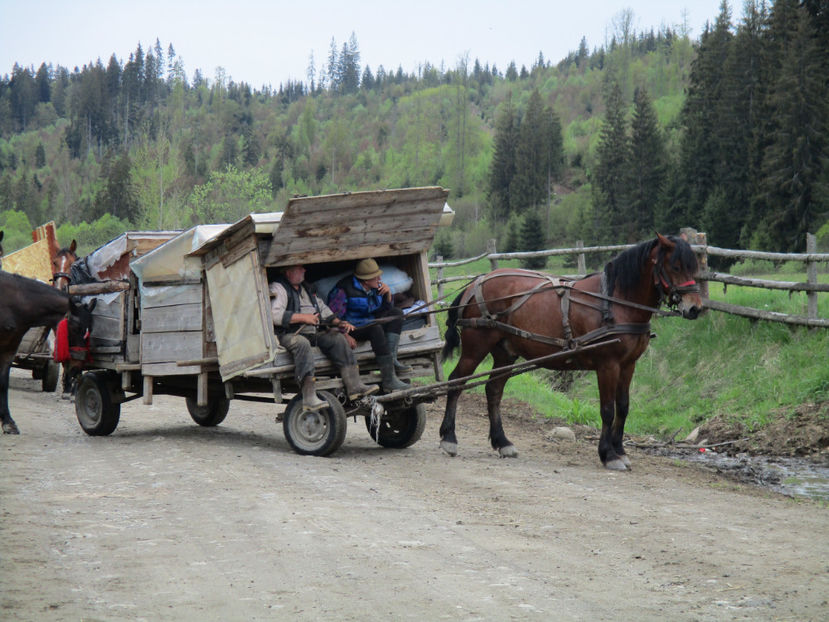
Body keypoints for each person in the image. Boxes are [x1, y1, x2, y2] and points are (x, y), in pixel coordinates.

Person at [270, 264, 378, 412]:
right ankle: (308, 396)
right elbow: (274, 315)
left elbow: (324, 310)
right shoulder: (278, 287)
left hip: (312, 333)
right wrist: (304, 318)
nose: (304, 270)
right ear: (288, 272)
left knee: (337, 338)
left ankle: (355, 386)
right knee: (301, 344)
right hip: (289, 334)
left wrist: (340, 323)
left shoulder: (307, 288)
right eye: (299, 268)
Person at [327, 258, 409, 392]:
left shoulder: (377, 287)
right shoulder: (343, 290)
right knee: (375, 329)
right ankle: (389, 380)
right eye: (376, 276)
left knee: (397, 313)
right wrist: (345, 335)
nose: (379, 278)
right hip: (353, 326)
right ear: (366, 280)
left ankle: (392, 360)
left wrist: (388, 294)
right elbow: (332, 317)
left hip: (370, 321)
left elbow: (385, 310)